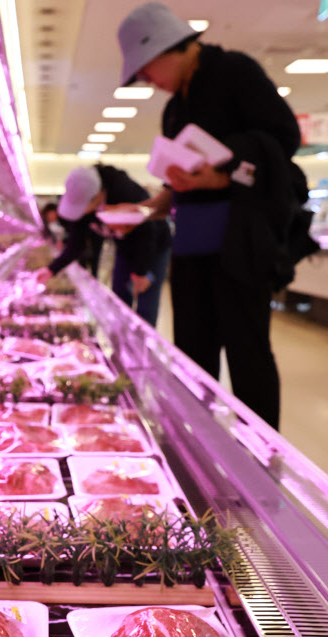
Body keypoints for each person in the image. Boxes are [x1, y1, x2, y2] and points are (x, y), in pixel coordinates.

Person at [117, 2, 302, 429]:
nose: (146, 79)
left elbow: (283, 139)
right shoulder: (173, 110)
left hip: (242, 244)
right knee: (192, 354)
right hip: (191, 248)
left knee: (247, 353)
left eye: (145, 68)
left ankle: (261, 455)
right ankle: (196, 441)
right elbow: (178, 185)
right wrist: (143, 210)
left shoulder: (235, 72)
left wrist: (223, 173)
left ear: (168, 47)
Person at [39, 164, 172, 327]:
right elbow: (76, 244)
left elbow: (148, 232)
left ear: (97, 195)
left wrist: (141, 271)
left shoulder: (126, 192)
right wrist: (51, 269)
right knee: (119, 299)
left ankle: (143, 340)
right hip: (124, 248)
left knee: (146, 303)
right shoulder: (85, 203)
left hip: (154, 247)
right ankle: (120, 338)